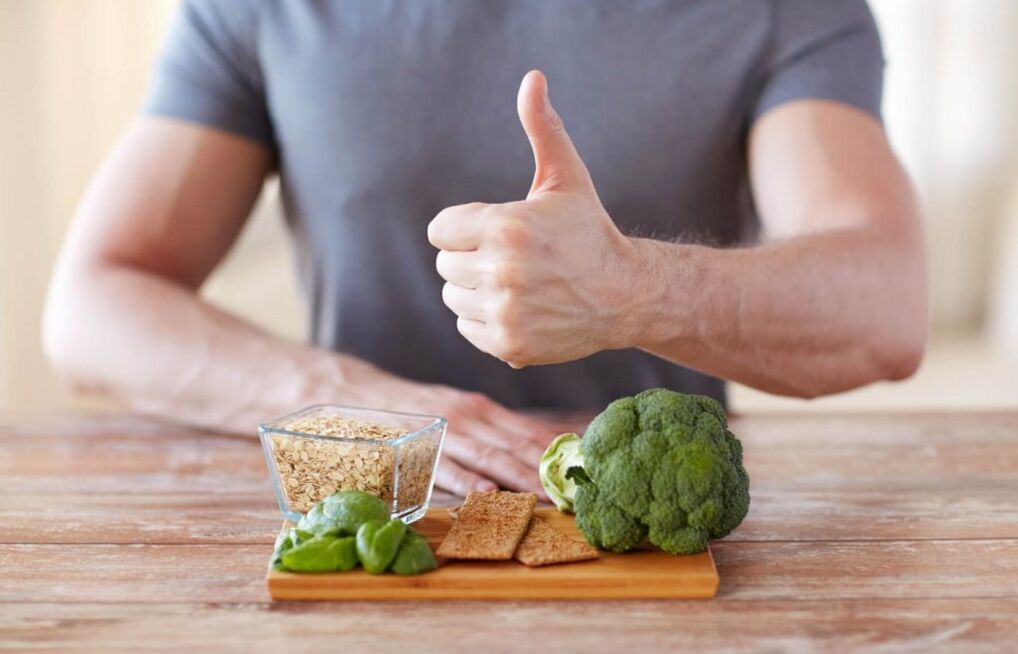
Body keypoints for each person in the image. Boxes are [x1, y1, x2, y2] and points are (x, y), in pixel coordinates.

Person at [43, 0, 927, 496]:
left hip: (652, 544)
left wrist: (631, 290)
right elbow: (93, 302)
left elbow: (885, 305)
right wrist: (349, 401)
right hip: (371, 523)